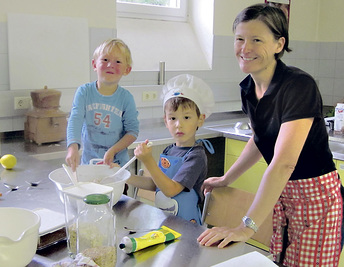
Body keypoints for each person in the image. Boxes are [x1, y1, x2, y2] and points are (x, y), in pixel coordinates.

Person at [197, 4, 343, 267]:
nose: (245, 48)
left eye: (256, 40)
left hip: (316, 199)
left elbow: (284, 163)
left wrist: (246, 227)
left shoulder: (298, 86)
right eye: (240, 39)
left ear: (279, 44)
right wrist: (227, 178)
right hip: (283, 193)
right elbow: (260, 138)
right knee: (281, 260)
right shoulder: (248, 88)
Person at [128, 74, 215, 224]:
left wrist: (148, 161)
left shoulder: (196, 156)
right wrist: (124, 176)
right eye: (173, 118)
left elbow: (170, 190)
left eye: (186, 117)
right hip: (164, 223)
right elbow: (157, 184)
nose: (178, 125)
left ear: (200, 119)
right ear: (166, 121)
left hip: (186, 228)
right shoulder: (169, 150)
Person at [66, 38, 139, 171]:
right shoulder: (84, 92)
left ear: (127, 70)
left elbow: (132, 132)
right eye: (105, 60)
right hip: (89, 167)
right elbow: (75, 120)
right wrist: (72, 147)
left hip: (116, 168)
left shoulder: (126, 98)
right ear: (94, 64)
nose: (110, 65)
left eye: (117, 62)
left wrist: (113, 150)